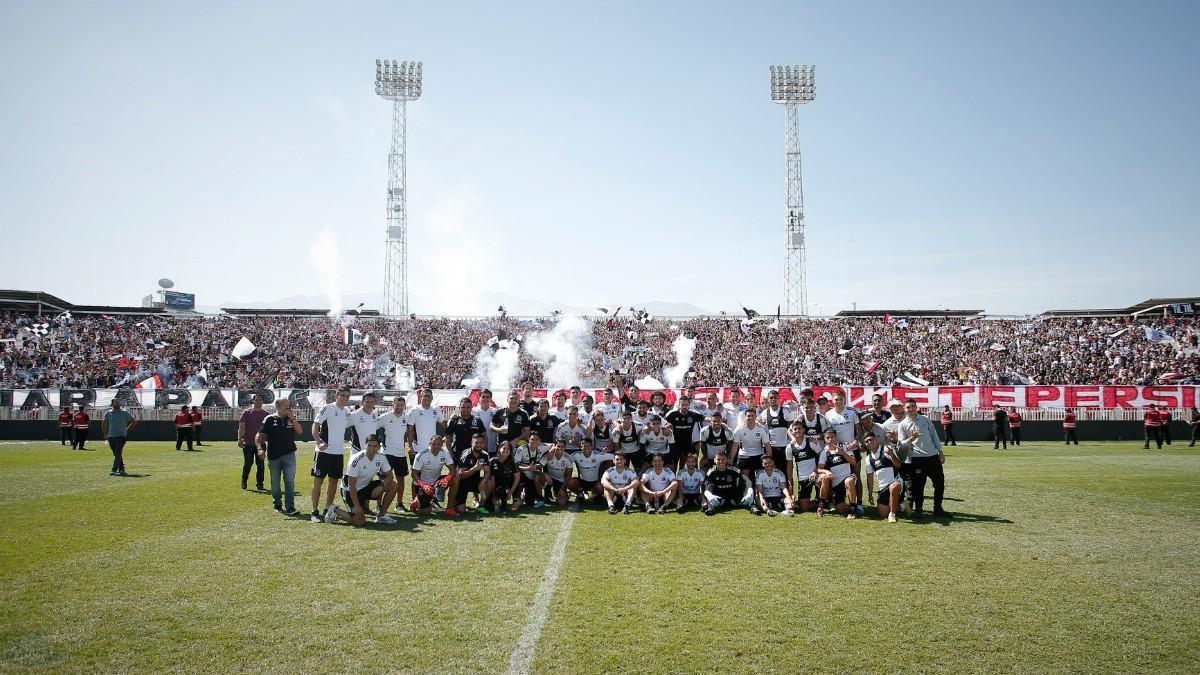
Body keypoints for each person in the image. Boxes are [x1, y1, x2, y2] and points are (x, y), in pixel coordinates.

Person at [325, 435, 398, 525]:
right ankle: (334, 509)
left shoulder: (381, 457)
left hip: (365, 486)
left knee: (393, 485)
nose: (371, 449)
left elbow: (390, 476)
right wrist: (357, 506)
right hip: (349, 490)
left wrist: (381, 486)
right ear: (365, 445)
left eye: (375, 446)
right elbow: (351, 485)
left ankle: (381, 516)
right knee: (359, 522)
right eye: (369, 445)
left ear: (379, 447)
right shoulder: (356, 460)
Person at [896, 399, 946, 518]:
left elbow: (934, 435)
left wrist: (940, 452)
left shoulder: (925, 420)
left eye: (913, 406)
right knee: (919, 486)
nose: (911, 409)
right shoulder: (902, 425)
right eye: (908, 407)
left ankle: (937, 508)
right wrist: (911, 439)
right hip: (917, 458)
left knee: (939, 483)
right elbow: (902, 444)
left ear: (917, 407)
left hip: (932, 456)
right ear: (904, 409)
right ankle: (919, 509)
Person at [309, 387, 351, 523]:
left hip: (338, 453)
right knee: (318, 482)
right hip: (323, 452)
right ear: (336, 396)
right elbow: (315, 426)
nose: (344, 398)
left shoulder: (347, 412)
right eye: (342, 395)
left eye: (347, 396)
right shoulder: (327, 408)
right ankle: (314, 511)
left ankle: (328, 509)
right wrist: (319, 442)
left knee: (333, 482)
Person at [256, 397, 303, 514]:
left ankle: (290, 507)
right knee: (275, 482)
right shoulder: (269, 419)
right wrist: (260, 449)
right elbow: (259, 435)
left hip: (289, 454)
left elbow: (300, 431)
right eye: (285, 405)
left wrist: (293, 419)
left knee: (289, 481)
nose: (288, 407)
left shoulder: (291, 418)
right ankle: (277, 504)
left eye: (289, 405)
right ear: (277, 406)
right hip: (273, 455)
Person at [376, 395, 411, 511]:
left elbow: (410, 432)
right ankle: (378, 505)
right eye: (397, 405)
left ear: (404, 406)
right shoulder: (384, 417)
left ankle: (399, 504)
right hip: (387, 453)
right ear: (393, 404)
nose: (399, 407)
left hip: (401, 454)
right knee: (384, 479)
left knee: (401, 480)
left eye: (402, 405)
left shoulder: (406, 418)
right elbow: (373, 428)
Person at [410, 436, 459, 516]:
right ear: (429, 444)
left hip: (437, 482)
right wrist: (423, 485)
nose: (436, 446)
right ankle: (417, 501)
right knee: (426, 512)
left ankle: (449, 508)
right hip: (424, 484)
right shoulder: (421, 455)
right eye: (434, 444)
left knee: (455, 479)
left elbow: (453, 470)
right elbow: (414, 474)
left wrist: (446, 479)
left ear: (442, 444)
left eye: (438, 444)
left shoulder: (445, 452)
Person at [817, 428, 859, 519]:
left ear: (836, 437)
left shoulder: (845, 446)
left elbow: (853, 462)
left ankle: (853, 509)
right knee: (840, 510)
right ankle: (823, 505)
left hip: (848, 475)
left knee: (849, 481)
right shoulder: (824, 452)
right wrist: (826, 471)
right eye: (827, 438)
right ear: (824, 439)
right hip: (836, 482)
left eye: (832, 437)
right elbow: (819, 469)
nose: (830, 439)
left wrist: (843, 453)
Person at [785, 420, 824, 513]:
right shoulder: (789, 447)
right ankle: (816, 502)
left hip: (816, 475)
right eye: (795, 429)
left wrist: (816, 471)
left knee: (823, 481)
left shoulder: (811, 441)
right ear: (792, 431)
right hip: (803, 478)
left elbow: (821, 456)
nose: (797, 430)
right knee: (804, 508)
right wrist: (790, 481)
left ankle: (824, 501)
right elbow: (789, 465)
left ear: (803, 430)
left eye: (799, 428)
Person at [864, 432, 903, 522]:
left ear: (876, 440)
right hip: (883, 488)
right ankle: (901, 505)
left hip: (896, 482)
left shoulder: (886, 450)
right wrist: (870, 494)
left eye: (871, 439)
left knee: (894, 487)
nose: (869, 442)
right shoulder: (868, 459)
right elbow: (870, 477)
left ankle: (892, 514)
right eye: (867, 441)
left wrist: (892, 455)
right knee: (882, 514)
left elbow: (898, 465)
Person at [758, 390, 795, 484]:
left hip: (785, 447)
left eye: (775, 397)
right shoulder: (764, 413)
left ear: (778, 399)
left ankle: (789, 494)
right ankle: (776, 494)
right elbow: (761, 429)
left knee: (787, 473)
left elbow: (791, 428)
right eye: (771, 398)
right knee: (774, 472)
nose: (773, 400)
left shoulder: (785, 411)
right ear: (768, 400)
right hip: (772, 449)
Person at [566, 438, 614, 506]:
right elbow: (565, 459)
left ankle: (595, 494)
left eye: (588, 446)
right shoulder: (576, 455)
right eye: (584, 446)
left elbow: (614, 457)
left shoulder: (598, 455)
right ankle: (580, 493)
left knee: (600, 487)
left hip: (595, 482)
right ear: (581, 447)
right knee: (571, 482)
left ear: (592, 446)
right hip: (582, 481)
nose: (586, 448)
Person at [732, 406, 771, 485]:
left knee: (760, 479)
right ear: (745, 417)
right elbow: (735, 445)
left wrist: (770, 459)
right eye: (748, 416)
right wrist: (731, 459)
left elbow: (767, 445)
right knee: (745, 481)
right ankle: (747, 495)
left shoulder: (762, 429)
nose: (750, 418)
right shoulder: (739, 429)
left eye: (752, 416)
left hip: (758, 455)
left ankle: (758, 496)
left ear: (756, 417)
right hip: (744, 456)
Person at [455, 433, 492, 514]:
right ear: (471, 443)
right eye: (476, 442)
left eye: (481, 442)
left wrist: (484, 480)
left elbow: (487, 471)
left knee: (489, 482)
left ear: (484, 443)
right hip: (463, 482)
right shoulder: (466, 455)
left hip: (475, 481)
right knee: (461, 510)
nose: (479, 445)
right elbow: (460, 475)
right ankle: (457, 502)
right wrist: (474, 468)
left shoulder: (485, 455)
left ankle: (481, 505)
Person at [664, 395, 702, 471]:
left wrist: (718, 422)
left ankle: (693, 480)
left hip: (688, 444)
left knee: (693, 463)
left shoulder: (693, 414)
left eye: (686, 405)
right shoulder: (672, 414)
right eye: (682, 405)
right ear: (679, 405)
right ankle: (673, 480)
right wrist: (667, 425)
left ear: (689, 405)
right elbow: (663, 422)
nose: (684, 406)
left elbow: (706, 419)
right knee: (673, 466)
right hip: (675, 444)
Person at [238, 394, 268, 490]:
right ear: (253, 401)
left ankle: (260, 484)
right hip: (248, 443)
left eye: (260, 400)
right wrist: (239, 439)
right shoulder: (247, 412)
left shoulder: (266, 414)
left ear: (262, 402)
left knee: (260, 464)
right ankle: (244, 480)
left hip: (261, 443)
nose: (258, 402)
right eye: (256, 400)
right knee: (248, 463)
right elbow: (242, 426)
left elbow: (268, 429)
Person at [101, 400, 137, 477]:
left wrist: (127, 430)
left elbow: (133, 421)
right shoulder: (108, 413)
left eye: (118, 402)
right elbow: (104, 424)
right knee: (116, 454)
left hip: (120, 436)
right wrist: (105, 434)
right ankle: (121, 469)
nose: (118, 403)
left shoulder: (124, 413)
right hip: (111, 436)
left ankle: (113, 470)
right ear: (112, 404)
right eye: (116, 402)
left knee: (117, 453)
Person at [513, 432, 548, 509]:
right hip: (522, 474)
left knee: (530, 502)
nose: (534, 441)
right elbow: (515, 466)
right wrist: (527, 468)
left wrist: (542, 463)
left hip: (532, 476)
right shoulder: (521, 449)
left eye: (537, 439)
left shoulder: (542, 447)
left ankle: (538, 497)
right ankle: (517, 497)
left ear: (540, 441)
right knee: (517, 478)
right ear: (528, 439)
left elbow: (554, 446)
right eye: (532, 439)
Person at [407, 388, 443, 456]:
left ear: (432, 398)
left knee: (432, 466)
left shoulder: (436, 409)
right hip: (418, 448)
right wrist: (410, 446)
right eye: (425, 395)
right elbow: (409, 430)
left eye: (429, 396)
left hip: (432, 448)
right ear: (421, 397)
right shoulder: (414, 411)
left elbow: (445, 425)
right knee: (416, 467)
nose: (427, 398)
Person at [540, 440, 576, 507]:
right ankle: (542, 496)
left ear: (565, 448)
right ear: (554, 446)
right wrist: (545, 474)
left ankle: (562, 493)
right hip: (549, 479)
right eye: (558, 446)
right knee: (539, 477)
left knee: (562, 503)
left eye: (562, 447)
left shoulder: (568, 458)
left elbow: (569, 475)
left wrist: (562, 488)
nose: (560, 448)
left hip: (560, 481)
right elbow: (538, 467)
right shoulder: (549, 455)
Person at [488, 441, 519, 512]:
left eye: (508, 449)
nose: (506, 450)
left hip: (509, 485)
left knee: (515, 484)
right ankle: (497, 501)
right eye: (504, 448)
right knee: (491, 508)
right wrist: (494, 495)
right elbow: (491, 478)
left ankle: (515, 501)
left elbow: (517, 478)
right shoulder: (493, 461)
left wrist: (510, 493)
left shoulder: (513, 461)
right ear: (499, 449)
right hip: (496, 486)